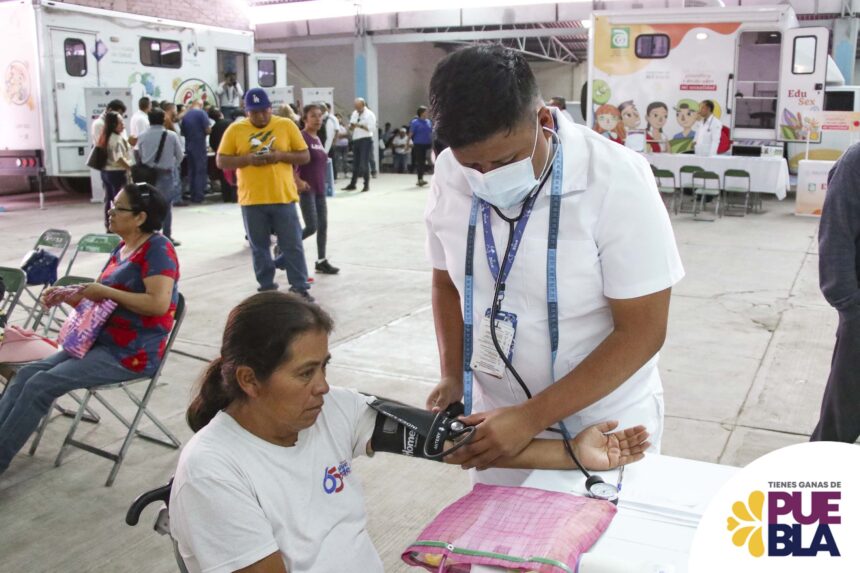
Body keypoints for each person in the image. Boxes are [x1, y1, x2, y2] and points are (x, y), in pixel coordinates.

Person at [170, 291, 650, 573]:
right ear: (250, 380)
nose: (324, 387)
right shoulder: (214, 472)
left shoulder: (334, 412)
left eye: (325, 367)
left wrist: (576, 454)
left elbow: (457, 443)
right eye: (304, 374)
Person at [424, 45, 684, 486]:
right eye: (474, 165)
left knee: (594, 549)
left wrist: (530, 417)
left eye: (504, 161)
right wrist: (452, 373)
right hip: (497, 422)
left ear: (544, 121)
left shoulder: (616, 179)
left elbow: (642, 331)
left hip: (600, 423)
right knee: (501, 550)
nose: (486, 176)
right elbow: (447, 282)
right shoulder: (451, 171)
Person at [0, 184, 178, 475]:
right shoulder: (123, 248)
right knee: (26, 375)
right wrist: (70, 297)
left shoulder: (158, 249)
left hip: (130, 352)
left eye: (118, 207)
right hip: (98, 342)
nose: (110, 211)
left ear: (140, 217)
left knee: (40, 385)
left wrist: (105, 292)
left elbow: (158, 305)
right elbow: (101, 304)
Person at [216, 88, 312, 298]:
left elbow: (304, 155)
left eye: (264, 111)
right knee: (259, 247)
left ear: (271, 108)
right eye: (254, 112)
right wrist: (248, 160)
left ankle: (300, 286)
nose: (260, 116)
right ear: (246, 111)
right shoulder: (235, 129)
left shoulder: (285, 125)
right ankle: (267, 287)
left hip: (283, 197)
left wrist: (280, 156)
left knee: (292, 244)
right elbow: (221, 160)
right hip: (252, 200)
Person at [811, 144, 860, 443]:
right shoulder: (856, 162)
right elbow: (835, 238)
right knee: (837, 430)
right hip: (859, 323)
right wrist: (852, 310)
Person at [286, 104, 339, 276]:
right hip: (306, 189)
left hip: (320, 188)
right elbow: (290, 164)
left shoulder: (317, 139)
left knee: (323, 226)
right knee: (311, 226)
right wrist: (298, 180)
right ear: (304, 119)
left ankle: (321, 261)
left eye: (320, 116)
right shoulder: (301, 137)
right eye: (313, 116)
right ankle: (283, 247)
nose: (318, 119)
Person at [137, 108, 185, 245]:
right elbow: (180, 156)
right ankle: (167, 235)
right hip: (166, 174)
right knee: (166, 205)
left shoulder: (142, 136)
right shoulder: (171, 135)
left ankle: (148, 235)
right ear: (163, 120)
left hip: (147, 174)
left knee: (148, 205)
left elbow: (139, 155)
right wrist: (172, 165)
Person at [100, 111, 134, 232]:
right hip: (117, 173)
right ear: (114, 124)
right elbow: (119, 158)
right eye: (121, 122)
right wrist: (130, 167)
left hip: (106, 172)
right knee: (119, 201)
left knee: (109, 199)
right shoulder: (116, 139)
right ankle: (117, 224)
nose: (123, 125)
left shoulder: (105, 136)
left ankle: (109, 224)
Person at [180, 100, 212, 204]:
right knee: (200, 171)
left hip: (189, 145)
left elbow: (182, 132)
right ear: (201, 105)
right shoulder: (202, 113)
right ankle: (199, 196)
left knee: (191, 170)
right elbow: (207, 130)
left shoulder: (186, 116)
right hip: (199, 145)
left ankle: (193, 194)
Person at [343, 98, 376, 192]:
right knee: (356, 163)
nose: (356, 108)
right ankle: (353, 184)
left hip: (365, 139)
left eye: (358, 106)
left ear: (363, 105)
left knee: (364, 163)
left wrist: (359, 125)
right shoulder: (355, 113)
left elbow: (372, 128)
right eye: (355, 106)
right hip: (356, 139)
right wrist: (350, 127)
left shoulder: (370, 114)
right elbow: (352, 125)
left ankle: (366, 185)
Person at [208, 107, 237, 203]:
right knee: (234, 175)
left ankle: (226, 196)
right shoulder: (230, 123)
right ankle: (235, 196)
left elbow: (212, 143)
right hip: (233, 152)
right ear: (221, 114)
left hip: (221, 153)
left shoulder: (214, 128)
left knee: (223, 176)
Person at [409, 105, 433, 187]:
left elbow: (431, 133)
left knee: (430, 160)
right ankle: (420, 179)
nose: (428, 113)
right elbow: (411, 133)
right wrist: (407, 143)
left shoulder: (429, 122)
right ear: (421, 113)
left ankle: (433, 176)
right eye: (426, 111)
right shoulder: (415, 122)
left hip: (428, 144)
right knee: (420, 162)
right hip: (418, 144)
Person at [333, 114, 349, 179]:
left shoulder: (343, 126)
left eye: (340, 118)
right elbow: (338, 135)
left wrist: (343, 135)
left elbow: (348, 134)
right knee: (337, 160)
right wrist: (344, 135)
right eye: (337, 118)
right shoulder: (334, 127)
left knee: (345, 160)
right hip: (337, 146)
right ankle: (337, 173)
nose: (339, 119)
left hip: (345, 146)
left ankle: (346, 173)